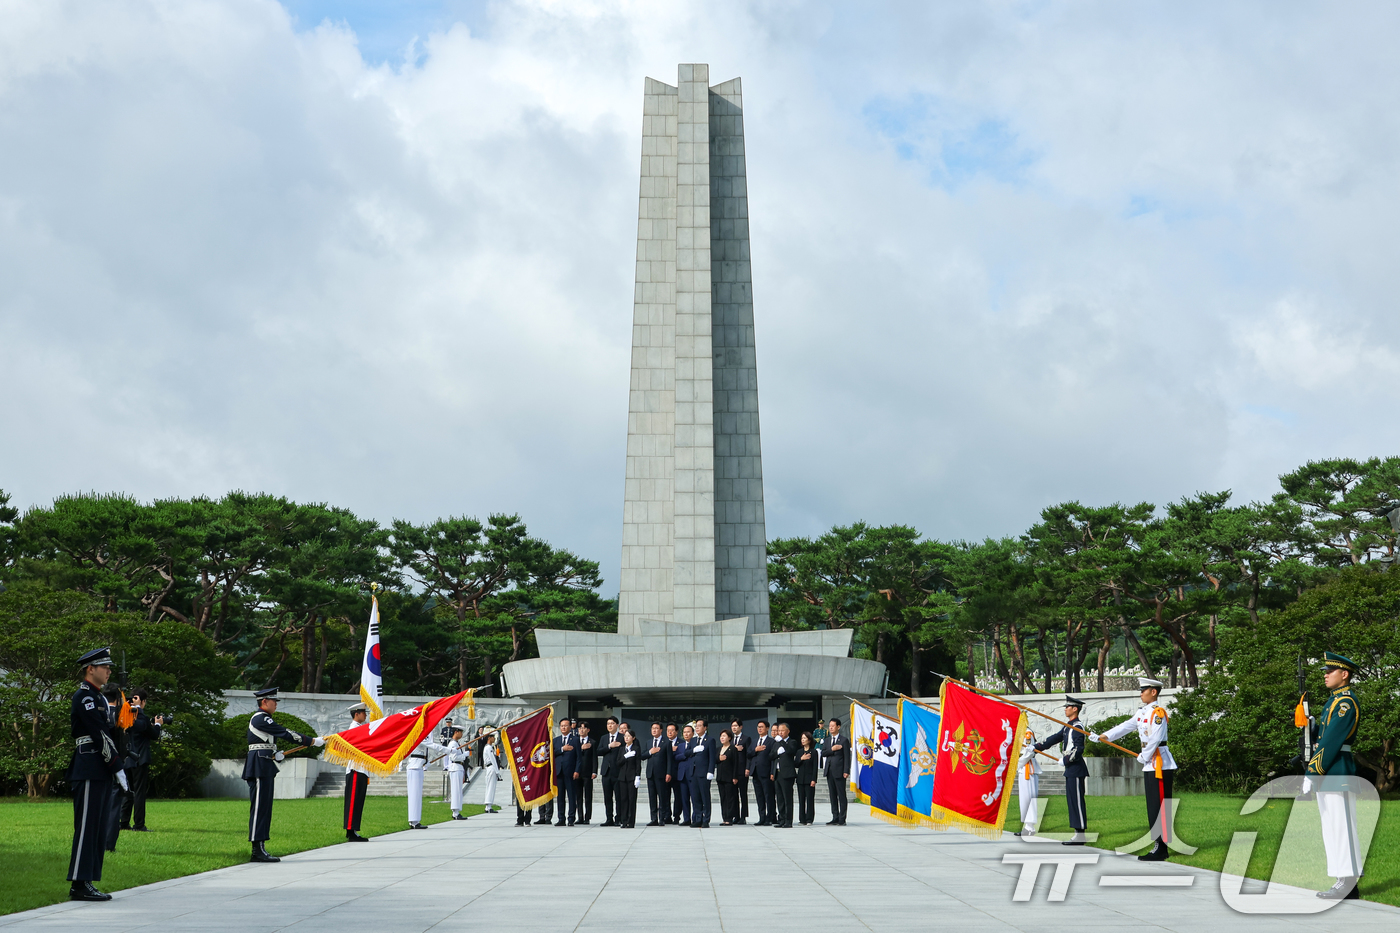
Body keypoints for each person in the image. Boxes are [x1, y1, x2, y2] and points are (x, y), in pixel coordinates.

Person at [1091, 677, 1175, 861]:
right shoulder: (1142, 712)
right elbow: (1125, 727)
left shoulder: (1158, 713)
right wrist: (1103, 736)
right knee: (1153, 807)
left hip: (1159, 763)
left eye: (1143, 690)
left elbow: (1156, 738)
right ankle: (1158, 845)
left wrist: (1145, 755)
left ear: (1153, 692)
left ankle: (1161, 848)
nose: (1141, 693)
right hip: (1150, 763)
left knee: (1160, 806)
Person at [1306, 652, 1364, 900]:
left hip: (1337, 769)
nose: (1326, 675)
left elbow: (1331, 742)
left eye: (1330, 671)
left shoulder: (1345, 703)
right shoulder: (1333, 701)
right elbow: (1323, 735)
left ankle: (1349, 882)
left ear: (1344, 674)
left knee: (1342, 828)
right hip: (1330, 771)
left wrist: (1312, 771)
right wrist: (1310, 726)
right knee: (1331, 828)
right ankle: (1342, 880)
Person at [66, 647, 123, 901]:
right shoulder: (85, 697)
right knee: (87, 827)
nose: (108, 671)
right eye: (104, 667)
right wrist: (117, 765)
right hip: (89, 766)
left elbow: (109, 732)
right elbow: (99, 733)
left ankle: (87, 881)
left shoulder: (98, 697)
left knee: (98, 828)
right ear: (91, 669)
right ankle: (79, 884)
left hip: (100, 768)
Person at [244, 687, 324, 861]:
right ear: (264, 701)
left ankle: (260, 848)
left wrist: (275, 753)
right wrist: (311, 741)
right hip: (259, 766)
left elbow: (263, 743)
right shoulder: (261, 718)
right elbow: (285, 733)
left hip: (264, 764)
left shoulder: (264, 718)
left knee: (265, 808)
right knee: (259, 808)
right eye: (274, 701)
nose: (276, 704)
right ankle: (257, 850)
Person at [1033, 696, 1089, 846]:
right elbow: (1054, 738)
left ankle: (1080, 835)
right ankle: (1077, 833)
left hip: (1076, 768)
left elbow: (1079, 749)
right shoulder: (1068, 726)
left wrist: (1066, 760)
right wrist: (1036, 747)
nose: (1065, 709)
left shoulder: (1077, 726)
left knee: (1076, 802)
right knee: (1072, 801)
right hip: (1071, 769)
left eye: (1067, 707)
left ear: (1075, 709)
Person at [119, 689, 163, 833]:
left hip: (126, 759)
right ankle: (139, 824)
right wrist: (158, 724)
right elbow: (153, 734)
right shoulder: (141, 717)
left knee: (127, 791)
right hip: (140, 758)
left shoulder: (124, 716)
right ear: (143, 701)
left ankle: (123, 822)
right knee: (139, 792)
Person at [404, 728, 445, 830]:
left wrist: (427, 763)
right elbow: (432, 746)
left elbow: (424, 753)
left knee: (417, 795)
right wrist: (449, 750)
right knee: (414, 795)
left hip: (418, 766)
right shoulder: (417, 735)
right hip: (414, 767)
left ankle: (416, 820)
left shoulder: (422, 736)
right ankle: (413, 821)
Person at [343, 703, 370, 841]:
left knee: (358, 802)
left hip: (361, 769)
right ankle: (350, 831)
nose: (365, 715)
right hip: (356, 769)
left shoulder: (360, 727)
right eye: (363, 712)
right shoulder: (354, 728)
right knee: (353, 802)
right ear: (356, 714)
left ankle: (353, 830)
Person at [821, 718, 850, 826]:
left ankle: (842, 818)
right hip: (829, 771)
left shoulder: (844, 740)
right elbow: (823, 753)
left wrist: (846, 770)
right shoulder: (827, 740)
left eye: (833, 726)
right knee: (832, 795)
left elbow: (847, 757)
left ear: (838, 727)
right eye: (830, 726)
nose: (831, 728)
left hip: (840, 771)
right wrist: (832, 749)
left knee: (841, 795)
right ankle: (835, 817)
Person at [553, 718, 581, 826]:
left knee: (571, 796)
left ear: (570, 727)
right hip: (559, 772)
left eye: (565, 725)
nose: (563, 728)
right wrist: (562, 749)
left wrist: (577, 770)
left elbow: (579, 757)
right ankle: (561, 818)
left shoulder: (575, 740)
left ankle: (571, 818)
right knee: (560, 797)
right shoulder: (556, 740)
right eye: (562, 726)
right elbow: (552, 753)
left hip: (570, 772)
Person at [690, 719, 718, 828]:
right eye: (696, 726)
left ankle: (706, 819)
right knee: (695, 797)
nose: (697, 728)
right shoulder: (693, 740)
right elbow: (686, 753)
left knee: (705, 797)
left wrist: (710, 771)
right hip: (693, 772)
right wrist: (694, 750)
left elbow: (712, 757)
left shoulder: (710, 740)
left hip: (704, 772)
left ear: (705, 727)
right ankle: (698, 818)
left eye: (699, 726)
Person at [643, 721, 672, 825]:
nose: (654, 730)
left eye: (656, 728)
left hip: (661, 774)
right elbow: (642, 756)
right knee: (652, 797)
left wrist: (668, 773)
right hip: (650, 773)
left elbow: (669, 759)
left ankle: (662, 818)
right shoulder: (648, 742)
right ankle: (653, 818)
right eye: (653, 728)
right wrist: (650, 752)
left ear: (661, 730)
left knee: (662, 797)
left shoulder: (666, 742)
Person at [1014, 727, 1041, 837]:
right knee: (1024, 799)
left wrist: (1017, 763)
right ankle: (1028, 826)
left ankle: (1030, 827)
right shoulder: (1020, 731)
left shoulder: (1027, 733)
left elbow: (1029, 752)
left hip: (1027, 768)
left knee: (1029, 797)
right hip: (1023, 768)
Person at [598, 716, 624, 826]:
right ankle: (609, 818)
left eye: (612, 723)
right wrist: (609, 746)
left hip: (618, 771)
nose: (610, 725)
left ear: (617, 725)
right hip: (606, 772)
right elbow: (599, 751)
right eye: (608, 723)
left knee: (619, 797)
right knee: (607, 797)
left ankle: (619, 818)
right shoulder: (604, 738)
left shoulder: (622, 737)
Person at [747, 720, 774, 826]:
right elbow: (748, 754)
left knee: (768, 796)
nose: (760, 729)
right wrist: (756, 750)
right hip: (755, 772)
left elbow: (772, 758)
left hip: (766, 772)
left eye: (762, 727)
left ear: (767, 728)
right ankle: (762, 817)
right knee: (759, 797)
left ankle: (769, 818)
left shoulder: (771, 742)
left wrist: (772, 772)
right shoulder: (754, 741)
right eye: (758, 727)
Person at [616, 727, 642, 828]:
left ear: (633, 738)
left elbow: (638, 764)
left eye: (628, 736)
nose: (626, 738)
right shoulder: (621, 749)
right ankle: (624, 820)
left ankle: (631, 822)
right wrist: (625, 756)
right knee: (623, 799)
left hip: (632, 777)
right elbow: (618, 763)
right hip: (622, 777)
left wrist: (637, 776)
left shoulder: (636, 749)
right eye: (625, 736)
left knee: (631, 799)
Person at [772, 723, 796, 828]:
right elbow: (771, 755)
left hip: (787, 774)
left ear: (788, 731)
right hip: (777, 773)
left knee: (787, 798)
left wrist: (782, 742)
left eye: (782, 730)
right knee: (780, 798)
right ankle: (781, 819)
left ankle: (788, 820)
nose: (780, 732)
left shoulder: (792, 742)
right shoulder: (776, 743)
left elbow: (791, 751)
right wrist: (777, 753)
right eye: (779, 731)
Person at [673, 724, 697, 827]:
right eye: (684, 732)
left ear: (693, 733)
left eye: (688, 732)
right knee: (684, 798)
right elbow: (676, 757)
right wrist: (686, 754)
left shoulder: (696, 744)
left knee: (695, 798)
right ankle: (686, 819)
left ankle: (696, 818)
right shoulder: (681, 745)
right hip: (682, 775)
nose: (686, 734)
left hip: (692, 774)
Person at [716, 731, 742, 824]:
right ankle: (724, 817)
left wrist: (735, 777)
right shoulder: (718, 749)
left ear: (729, 738)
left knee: (730, 798)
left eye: (724, 736)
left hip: (729, 777)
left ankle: (729, 818)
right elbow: (714, 759)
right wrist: (719, 758)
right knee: (723, 798)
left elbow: (736, 763)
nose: (722, 738)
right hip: (720, 777)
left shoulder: (733, 749)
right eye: (721, 736)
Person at [729, 720, 751, 823]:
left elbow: (749, 755)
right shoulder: (730, 740)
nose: (734, 728)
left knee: (743, 794)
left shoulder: (746, 739)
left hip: (742, 770)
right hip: (732, 770)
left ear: (741, 727)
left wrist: (747, 768)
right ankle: (736, 816)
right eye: (732, 726)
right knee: (733, 795)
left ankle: (743, 816)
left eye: (736, 726)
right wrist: (734, 748)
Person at [446, 727, 470, 820]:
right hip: (455, 767)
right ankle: (455, 812)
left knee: (458, 790)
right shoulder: (452, 744)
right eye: (460, 732)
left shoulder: (456, 743)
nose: (462, 734)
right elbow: (454, 757)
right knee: (456, 790)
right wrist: (464, 755)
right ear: (456, 732)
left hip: (459, 767)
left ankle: (457, 811)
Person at [796, 731, 819, 825]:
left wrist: (814, 779)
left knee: (810, 799)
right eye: (802, 738)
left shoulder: (814, 752)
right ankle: (802, 819)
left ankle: (809, 819)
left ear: (809, 740)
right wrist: (801, 759)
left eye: (804, 738)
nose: (803, 740)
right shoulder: (799, 752)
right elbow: (795, 764)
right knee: (801, 800)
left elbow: (815, 767)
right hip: (800, 779)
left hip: (809, 779)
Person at [576, 721, 596, 824]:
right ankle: (580, 817)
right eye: (580, 728)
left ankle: (587, 817)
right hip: (577, 772)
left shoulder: (592, 742)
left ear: (588, 730)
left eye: (583, 728)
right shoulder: (575, 741)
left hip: (588, 773)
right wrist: (581, 748)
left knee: (588, 796)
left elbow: (594, 758)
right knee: (578, 797)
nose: (581, 730)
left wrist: (594, 771)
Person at [666, 723, 685, 824]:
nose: (670, 732)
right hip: (665, 773)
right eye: (668, 730)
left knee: (678, 796)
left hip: (677, 773)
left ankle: (677, 816)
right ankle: (667, 816)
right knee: (665, 796)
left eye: (672, 730)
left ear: (677, 732)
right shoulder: (663, 743)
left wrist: (675, 751)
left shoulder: (681, 743)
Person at [481, 728, 502, 813]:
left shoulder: (489, 747)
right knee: (491, 787)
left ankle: (488, 806)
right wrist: (497, 772)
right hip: (491, 767)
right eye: (493, 737)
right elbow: (493, 760)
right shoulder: (488, 748)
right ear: (489, 738)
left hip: (489, 768)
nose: (494, 739)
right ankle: (488, 806)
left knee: (490, 787)